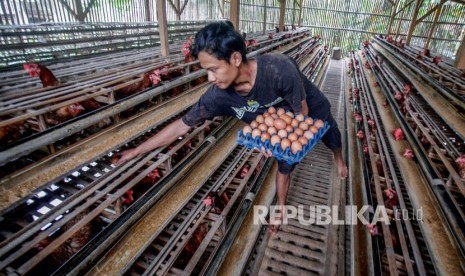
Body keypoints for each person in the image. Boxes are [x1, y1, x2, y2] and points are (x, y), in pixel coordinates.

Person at [113, 21, 348, 233]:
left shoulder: (279, 69)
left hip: (310, 109)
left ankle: (338, 158)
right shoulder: (218, 97)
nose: (209, 78)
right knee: (284, 166)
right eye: (206, 70)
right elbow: (181, 126)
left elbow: (302, 113)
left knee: (331, 137)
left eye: (213, 69)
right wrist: (135, 151)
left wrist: (276, 137)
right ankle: (282, 207)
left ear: (235, 59)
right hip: (281, 127)